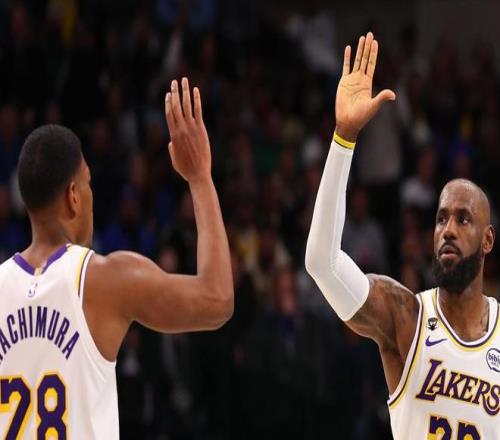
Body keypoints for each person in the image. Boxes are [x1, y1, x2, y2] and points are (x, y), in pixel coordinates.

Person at [0, 77, 233, 438]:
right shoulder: (106, 280)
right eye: (88, 183)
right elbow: (217, 300)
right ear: (73, 196)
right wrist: (200, 177)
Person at [305, 32, 499, 439]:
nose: (448, 230)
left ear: (487, 240)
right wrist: (343, 137)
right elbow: (322, 262)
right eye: (441, 219)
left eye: (463, 220)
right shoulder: (406, 316)